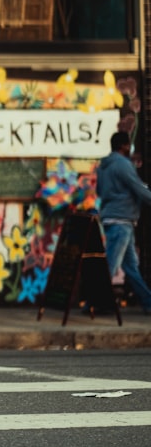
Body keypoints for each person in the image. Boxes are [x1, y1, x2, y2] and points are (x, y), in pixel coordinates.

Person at [95, 130, 151, 315]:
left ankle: (147, 301)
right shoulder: (123, 165)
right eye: (128, 145)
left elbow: (99, 190)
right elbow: (138, 188)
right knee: (111, 264)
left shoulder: (104, 166)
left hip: (113, 218)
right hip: (122, 220)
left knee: (130, 267)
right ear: (124, 146)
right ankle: (97, 304)